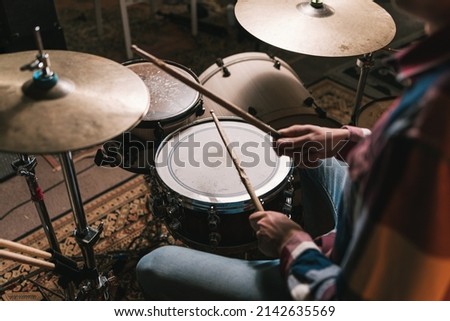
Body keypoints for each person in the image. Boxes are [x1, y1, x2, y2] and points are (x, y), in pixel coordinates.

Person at [136, 0, 450, 300]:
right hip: (360, 241)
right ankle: (317, 245)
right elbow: (401, 165)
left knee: (155, 266)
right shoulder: (433, 84)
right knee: (314, 158)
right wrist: (346, 139)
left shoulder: (427, 126)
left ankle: (301, 266)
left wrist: (291, 244)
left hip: (337, 283)